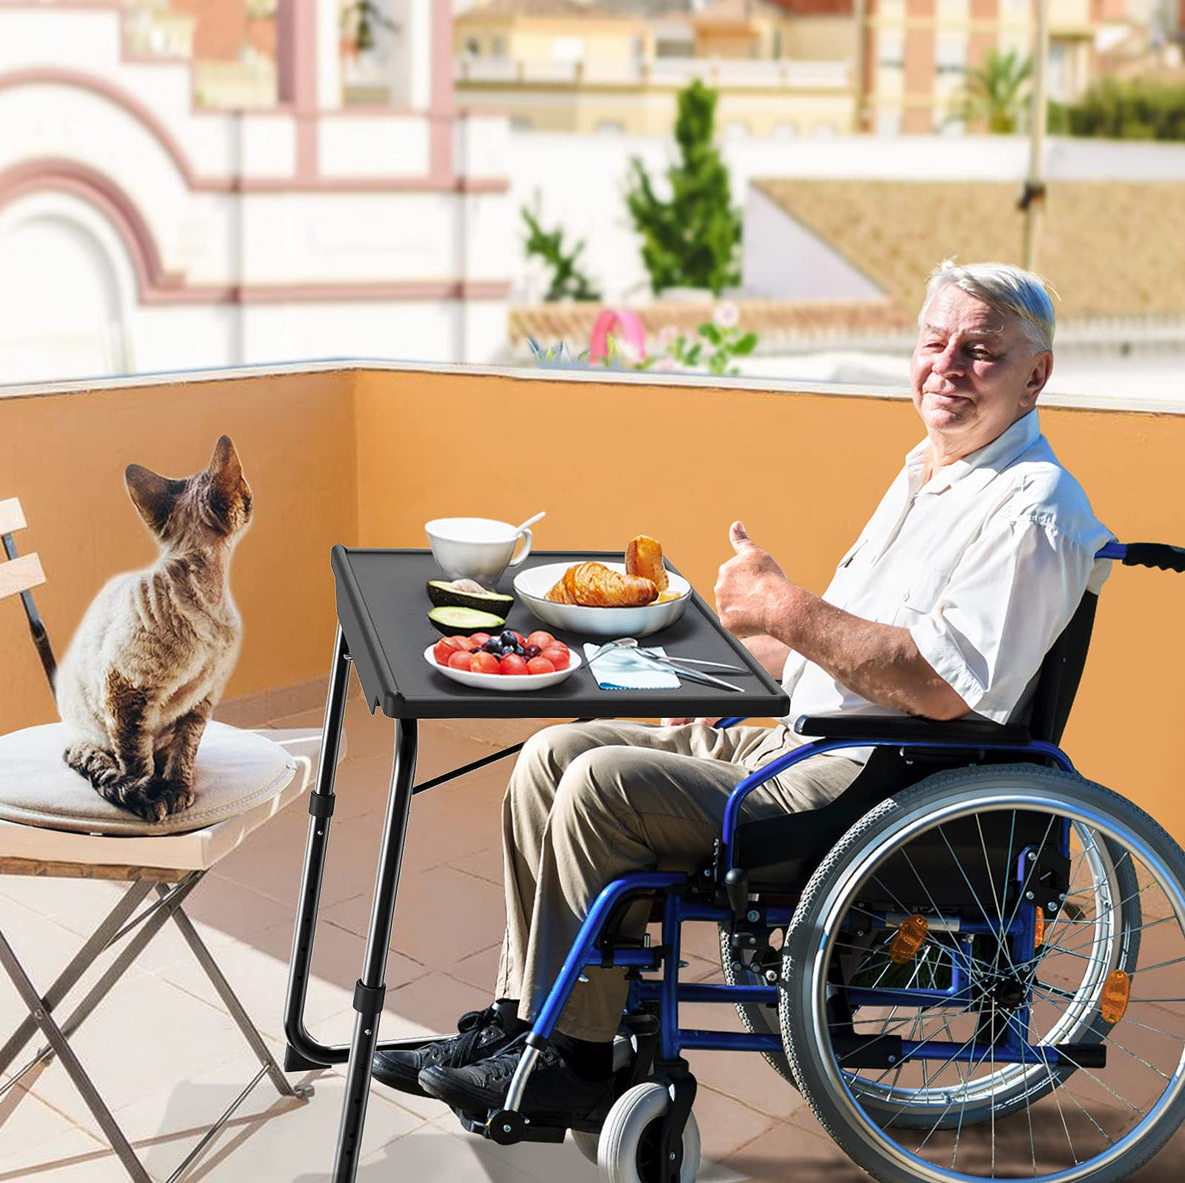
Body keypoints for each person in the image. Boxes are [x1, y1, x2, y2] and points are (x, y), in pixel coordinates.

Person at [372, 260, 1114, 1122]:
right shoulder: (930, 473)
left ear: (1037, 374)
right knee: (553, 751)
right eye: (934, 341)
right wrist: (741, 651)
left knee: (602, 787)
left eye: (979, 351)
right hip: (806, 734)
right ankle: (518, 1021)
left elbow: (943, 683)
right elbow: (858, 642)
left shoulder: (1032, 507)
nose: (947, 365)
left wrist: (786, 607)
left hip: (874, 777)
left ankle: (571, 1060)